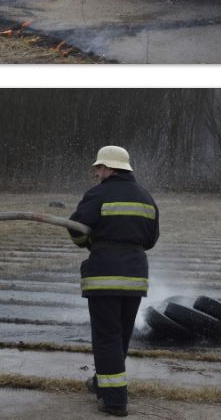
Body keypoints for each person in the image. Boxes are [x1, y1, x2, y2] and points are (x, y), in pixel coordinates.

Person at [68, 146, 159, 417]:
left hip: (104, 273)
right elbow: (151, 240)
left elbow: (75, 230)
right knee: (120, 335)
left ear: (109, 168)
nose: (96, 173)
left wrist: (90, 242)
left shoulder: (99, 194)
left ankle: (115, 400)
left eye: (98, 169)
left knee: (106, 337)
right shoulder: (145, 196)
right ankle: (102, 382)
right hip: (135, 275)